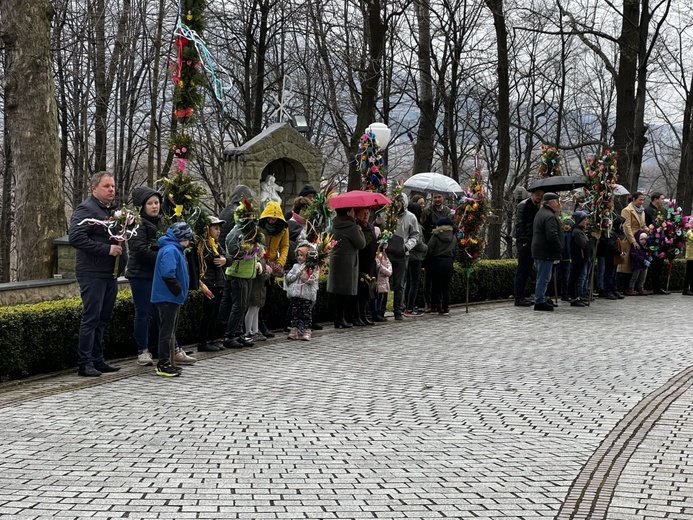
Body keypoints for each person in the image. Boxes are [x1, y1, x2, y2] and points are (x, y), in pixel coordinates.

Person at [68, 171, 126, 377]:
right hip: (92, 272)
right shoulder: (86, 209)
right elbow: (75, 237)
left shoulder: (113, 210)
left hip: (109, 273)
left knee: (103, 318)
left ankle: (98, 358)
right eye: (106, 186)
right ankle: (85, 362)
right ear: (94, 189)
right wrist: (106, 249)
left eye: (113, 186)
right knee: (91, 318)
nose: (111, 189)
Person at [125, 186, 163, 366]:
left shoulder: (159, 222)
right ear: (142, 206)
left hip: (155, 274)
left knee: (160, 312)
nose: (155, 206)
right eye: (150, 203)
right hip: (140, 275)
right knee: (143, 312)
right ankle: (143, 350)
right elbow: (139, 250)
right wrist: (163, 260)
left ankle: (163, 347)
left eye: (156, 203)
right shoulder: (138, 223)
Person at [151, 222, 194, 377]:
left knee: (169, 331)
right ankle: (163, 363)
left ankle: (167, 361)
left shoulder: (175, 249)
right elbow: (168, 273)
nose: (189, 242)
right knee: (166, 332)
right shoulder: (171, 250)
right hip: (168, 296)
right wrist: (178, 290)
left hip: (170, 297)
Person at [222, 199, 263, 348]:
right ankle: (229, 335)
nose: (251, 219)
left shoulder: (251, 232)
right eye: (247, 217)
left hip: (247, 274)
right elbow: (234, 252)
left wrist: (257, 253)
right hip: (237, 274)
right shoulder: (236, 233)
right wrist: (250, 251)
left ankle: (239, 334)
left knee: (243, 306)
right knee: (238, 307)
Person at [327, 207, 366, 328]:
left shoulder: (333, 223)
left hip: (335, 260)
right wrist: (360, 231)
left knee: (337, 292)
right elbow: (361, 244)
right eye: (353, 210)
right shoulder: (351, 226)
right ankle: (341, 318)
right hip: (348, 262)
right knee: (344, 292)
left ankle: (337, 319)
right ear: (348, 212)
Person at [197, 215, 230, 352]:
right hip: (208, 283)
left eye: (219, 229)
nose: (218, 231)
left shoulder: (217, 244)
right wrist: (222, 259)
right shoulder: (204, 245)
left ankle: (211, 339)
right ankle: (203, 341)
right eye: (215, 228)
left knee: (215, 313)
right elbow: (214, 259)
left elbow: (228, 258)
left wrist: (225, 260)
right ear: (207, 229)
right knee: (208, 313)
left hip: (218, 283)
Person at [257, 200, 289, 337]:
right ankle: (257, 323)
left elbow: (285, 246)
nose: (271, 221)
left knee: (268, 295)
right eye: (270, 218)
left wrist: (281, 261)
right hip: (261, 264)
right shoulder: (260, 227)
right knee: (259, 296)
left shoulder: (283, 229)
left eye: (274, 219)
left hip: (273, 265)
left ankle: (263, 321)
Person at [388, 192, 420, 320]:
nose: (398, 205)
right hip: (387, 252)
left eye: (400, 203)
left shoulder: (411, 217)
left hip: (402, 254)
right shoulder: (389, 215)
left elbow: (415, 235)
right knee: (383, 283)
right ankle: (378, 311)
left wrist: (407, 246)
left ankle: (398, 310)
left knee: (399, 284)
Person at [531, 192, 564, 312]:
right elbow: (552, 235)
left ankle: (541, 299)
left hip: (540, 251)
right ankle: (539, 301)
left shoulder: (541, 213)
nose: (559, 204)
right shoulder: (549, 216)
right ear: (551, 203)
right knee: (544, 277)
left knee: (543, 277)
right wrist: (559, 248)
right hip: (545, 252)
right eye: (557, 202)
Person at [513, 188, 544, 306]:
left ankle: (521, 296)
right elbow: (519, 223)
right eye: (537, 195)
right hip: (525, 241)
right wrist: (524, 240)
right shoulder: (524, 205)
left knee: (527, 269)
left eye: (541, 195)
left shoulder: (536, 207)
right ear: (532, 194)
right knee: (522, 269)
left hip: (532, 240)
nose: (539, 197)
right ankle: (518, 297)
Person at [421, 192, 451, 312]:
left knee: (442, 283)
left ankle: (441, 304)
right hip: (431, 246)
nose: (437, 199)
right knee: (428, 279)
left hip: (444, 248)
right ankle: (428, 302)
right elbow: (423, 228)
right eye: (435, 198)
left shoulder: (448, 211)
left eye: (439, 197)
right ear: (432, 198)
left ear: (443, 198)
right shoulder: (428, 211)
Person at [284, 242, 320, 340]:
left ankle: (307, 330)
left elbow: (313, 280)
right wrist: (297, 274)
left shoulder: (312, 267)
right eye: (298, 255)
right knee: (295, 313)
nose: (299, 257)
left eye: (302, 255)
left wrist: (305, 277)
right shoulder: (295, 266)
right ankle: (294, 330)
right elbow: (288, 277)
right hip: (295, 294)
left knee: (306, 313)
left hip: (307, 295)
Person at [426, 217, 457, 315]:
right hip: (448, 263)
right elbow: (456, 251)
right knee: (446, 287)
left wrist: (428, 260)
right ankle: (445, 307)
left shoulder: (435, 236)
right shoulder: (453, 237)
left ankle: (435, 306)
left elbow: (429, 249)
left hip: (437, 262)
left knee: (435, 286)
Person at [618, 192, 648, 292]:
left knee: (638, 263)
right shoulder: (627, 210)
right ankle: (624, 287)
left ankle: (635, 286)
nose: (641, 202)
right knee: (627, 264)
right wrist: (633, 241)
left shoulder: (642, 211)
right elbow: (627, 227)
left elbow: (643, 225)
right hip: (630, 239)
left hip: (640, 238)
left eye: (643, 200)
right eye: (640, 199)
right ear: (634, 199)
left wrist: (650, 230)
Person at [355, 207, 378, 325]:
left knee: (367, 290)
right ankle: (357, 315)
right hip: (360, 262)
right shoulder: (356, 225)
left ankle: (364, 314)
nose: (366, 215)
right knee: (360, 290)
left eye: (367, 213)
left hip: (370, 262)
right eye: (363, 213)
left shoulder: (370, 226)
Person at [244, 245, 272, 342]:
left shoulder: (260, 261)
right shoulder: (257, 263)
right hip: (255, 290)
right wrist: (268, 272)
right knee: (252, 310)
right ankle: (248, 331)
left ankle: (255, 330)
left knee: (256, 311)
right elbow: (262, 276)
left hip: (259, 290)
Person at [404, 199, 427, 316]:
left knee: (409, 282)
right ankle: (409, 307)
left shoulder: (408, 221)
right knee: (414, 283)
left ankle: (406, 306)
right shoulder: (416, 224)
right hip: (415, 257)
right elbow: (418, 242)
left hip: (408, 256)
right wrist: (426, 248)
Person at [644, 192, 670, 294]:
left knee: (659, 265)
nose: (663, 201)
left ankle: (657, 287)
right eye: (662, 199)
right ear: (655, 199)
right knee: (649, 264)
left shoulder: (664, 211)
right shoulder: (647, 210)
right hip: (651, 240)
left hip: (661, 240)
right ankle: (646, 286)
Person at [568, 211, 589, 307]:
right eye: (584, 219)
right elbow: (583, 244)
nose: (586, 221)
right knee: (575, 277)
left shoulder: (580, 230)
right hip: (578, 257)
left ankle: (577, 296)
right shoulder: (576, 231)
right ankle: (574, 297)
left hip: (581, 257)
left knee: (577, 277)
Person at [626, 230, 651, 296]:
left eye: (645, 240)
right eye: (641, 239)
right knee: (634, 277)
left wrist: (648, 258)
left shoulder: (645, 247)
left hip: (643, 266)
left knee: (642, 278)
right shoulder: (636, 247)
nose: (643, 241)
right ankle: (631, 288)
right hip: (637, 265)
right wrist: (643, 260)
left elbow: (647, 254)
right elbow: (635, 256)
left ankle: (640, 288)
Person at [374, 245, 392, 322]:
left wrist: (389, 270)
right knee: (377, 297)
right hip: (380, 278)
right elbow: (378, 265)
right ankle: (375, 312)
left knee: (381, 297)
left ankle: (380, 311)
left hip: (385, 278)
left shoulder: (384, 254)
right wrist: (387, 271)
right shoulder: (376, 255)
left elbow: (388, 262)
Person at [683, 225, 693, 296]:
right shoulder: (689, 232)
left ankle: (692, 288)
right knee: (689, 273)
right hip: (690, 256)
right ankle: (685, 289)